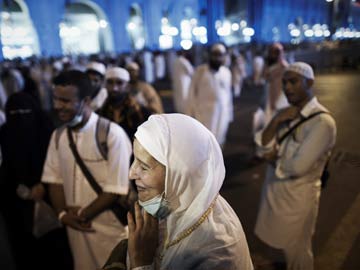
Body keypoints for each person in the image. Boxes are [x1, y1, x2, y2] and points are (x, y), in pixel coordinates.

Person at [103, 113, 254, 270]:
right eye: (134, 160)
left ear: (180, 174)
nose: (131, 174)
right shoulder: (173, 202)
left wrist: (141, 263)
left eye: (144, 166)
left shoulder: (218, 253)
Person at [41, 70, 132, 270]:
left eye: (65, 101)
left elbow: (116, 189)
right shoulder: (58, 137)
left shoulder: (111, 135)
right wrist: (63, 215)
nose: (57, 106)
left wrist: (79, 215)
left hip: (111, 231)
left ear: (86, 100)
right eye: (55, 99)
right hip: (76, 233)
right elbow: (54, 180)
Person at [254, 62, 337, 270]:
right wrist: (275, 122)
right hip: (277, 192)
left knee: (299, 249)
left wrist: (272, 158)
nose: (287, 88)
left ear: (310, 83)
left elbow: (298, 166)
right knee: (285, 244)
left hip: (299, 198)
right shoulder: (285, 113)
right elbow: (262, 147)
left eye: (293, 82)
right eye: (284, 82)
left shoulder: (322, 123)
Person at [0, 91, 72, 270]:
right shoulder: (5, 134)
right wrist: (16, 187)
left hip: (50, 199)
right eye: (15, 114)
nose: (21, 119)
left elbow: (58, 164)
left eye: (25, 113)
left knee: (55, 249)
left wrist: (44, 184)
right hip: (17, 205)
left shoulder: (47, 131)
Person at [187, 43, 233, 147]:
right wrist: (190, 112)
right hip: (203, 113)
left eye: (220, 55)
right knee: (204, 142)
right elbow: (191, 92)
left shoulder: (226, 73)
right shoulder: (200, 71)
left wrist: (230, 113)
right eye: (214, 55)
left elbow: (228, 95)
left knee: (219, 141)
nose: (217, 58)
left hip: (222, 113)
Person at [99, 67, 153, 139]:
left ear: (127, 86)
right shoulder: (101, 113)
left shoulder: (141, 112)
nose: (114, 88)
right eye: (110, 82)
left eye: (119, 83)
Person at [263, 43, 289, 124]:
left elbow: (279, 85)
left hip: (279, 95)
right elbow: (265, 75)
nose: (273, 54)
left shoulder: (283, 66)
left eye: (276, 52)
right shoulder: (270, 64)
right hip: (270, 93)